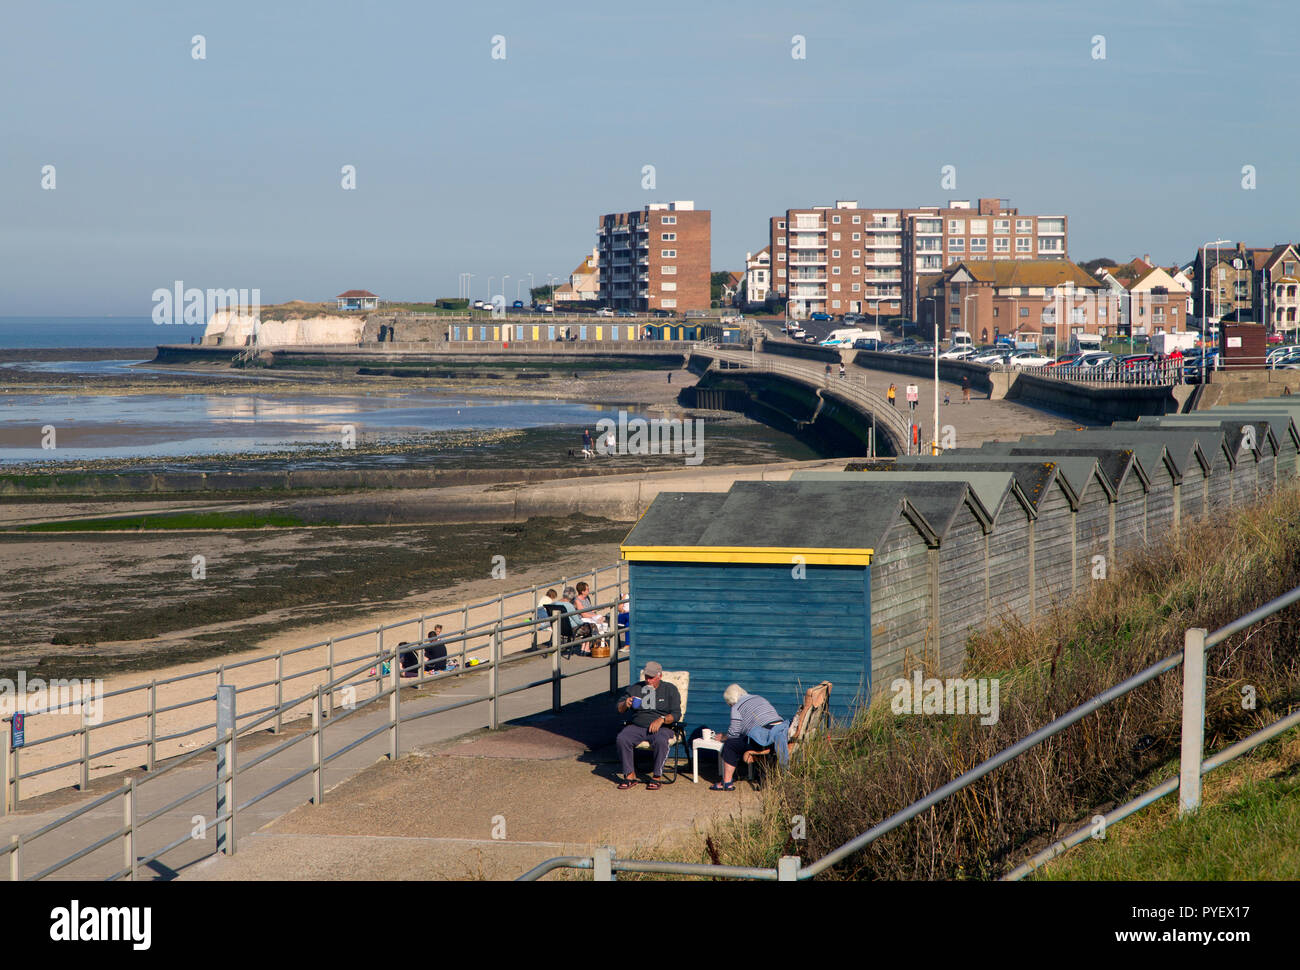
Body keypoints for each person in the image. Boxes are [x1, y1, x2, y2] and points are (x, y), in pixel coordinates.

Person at [615, 661, 681, 790]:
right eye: (646, 677)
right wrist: (625, 704)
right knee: (622, 738)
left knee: (661, 740)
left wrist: (662, 719)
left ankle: (656, 777)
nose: (648, 680)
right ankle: (630, 775)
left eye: (651, 677)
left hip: (661, 727)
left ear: (659, 676)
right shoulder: (635, 688)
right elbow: (619, 709)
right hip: (637, 726)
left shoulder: (669, 689)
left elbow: (676, 714)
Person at [710, 684, 787, 791]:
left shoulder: (736, 707)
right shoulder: (759, 698)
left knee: (730, 745)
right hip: (780, 734)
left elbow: (734, 733)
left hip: (764, 738)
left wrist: (724, 736)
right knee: (744, 739)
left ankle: (726, 783)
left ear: (731, 702)